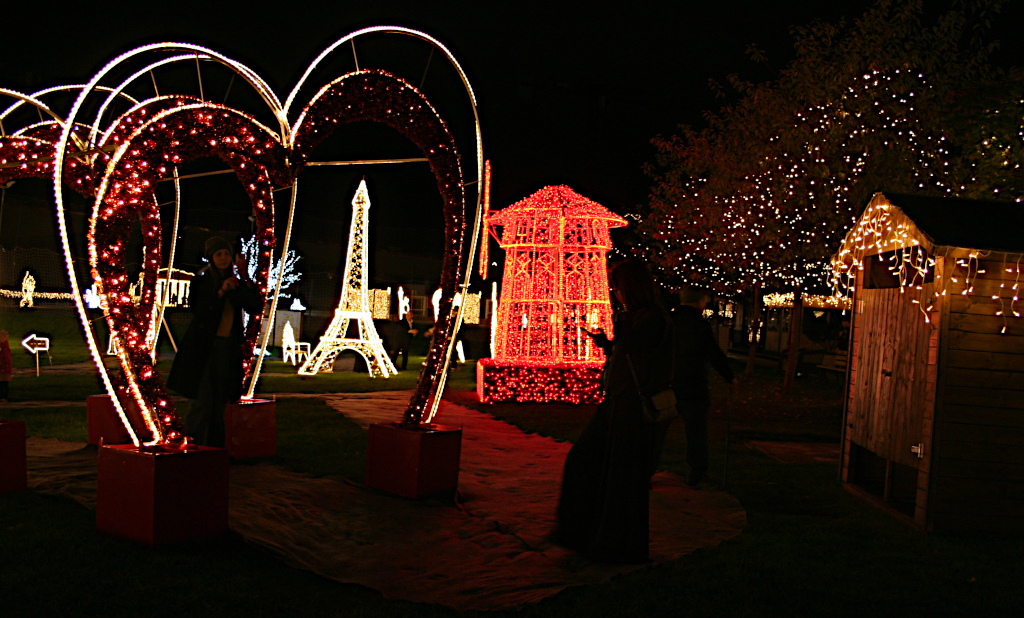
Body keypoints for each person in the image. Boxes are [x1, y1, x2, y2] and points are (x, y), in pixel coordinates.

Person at [552, 259, 673, 563]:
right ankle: (580, 530)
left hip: (631, 406)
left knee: (619, 474)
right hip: (617, 402)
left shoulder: (652, 318)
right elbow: (628, 348)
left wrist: (621, 329)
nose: (615, 294)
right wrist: (607, 343)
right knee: (586, 461)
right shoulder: (636, 317)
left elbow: (641, 349)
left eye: (618, 288)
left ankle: (613, 541)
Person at [167, 237, 261, 447]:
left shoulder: (236, 283)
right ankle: (194, 444)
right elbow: (200, 312)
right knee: (202, 400)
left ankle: (215, 449)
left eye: (226, 254)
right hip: (203, 349)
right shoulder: (201, 282)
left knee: (220, 402)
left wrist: (244, 275)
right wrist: (220, 292)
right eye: (219, 254)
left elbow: (255, 306)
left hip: (226, 349)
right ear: (211, 257)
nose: (223, 258)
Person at [671, 286, 735, 487]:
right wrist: (729, 376)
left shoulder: (670, 321)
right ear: (700, 301)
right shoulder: (699, 325)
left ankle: (646, 470)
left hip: (668, 382)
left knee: (657, 430)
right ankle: (696, 472)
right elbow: (713, 353)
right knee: (696, 432)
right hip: (693, 384)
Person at [0, 330, 11, 402]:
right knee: (3, 383)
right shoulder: (4, 345)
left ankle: (3, 398)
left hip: (4, 368)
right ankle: (3, 397)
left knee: (3, 383)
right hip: (4, 367)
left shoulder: (4, 346)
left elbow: (6, 357)